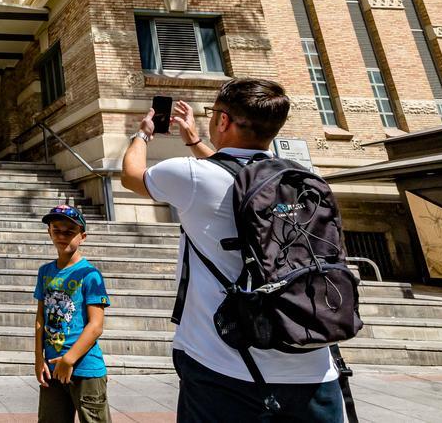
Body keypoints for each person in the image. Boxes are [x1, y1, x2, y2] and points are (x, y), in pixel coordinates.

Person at [120, 78, 342, 422]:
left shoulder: (192, 176)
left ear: (223, 121)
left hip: (225, 369)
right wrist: (195, 141)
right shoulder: (303, 178)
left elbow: (131, 175)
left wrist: (144, 133)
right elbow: (238, 176)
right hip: (315, 366)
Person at [34, 204, 112, 423]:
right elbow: (41, 319)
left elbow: (96, 326)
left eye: (69, 231)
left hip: (84, 367)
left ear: (82, 236)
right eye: (56, 230)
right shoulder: (45, 272)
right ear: (49, 232)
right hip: (51, 367)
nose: (62, 236)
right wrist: (39, 360)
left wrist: (69, 359)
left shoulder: (90, 274)